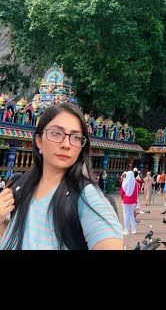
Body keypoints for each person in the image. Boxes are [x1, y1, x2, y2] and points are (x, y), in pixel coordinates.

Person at [0, 102, 123, 250]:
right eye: (56, 133)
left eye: (76, 137)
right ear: (38, 140)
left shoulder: (86, 195)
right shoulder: (20, 185)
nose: (66, 144)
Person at [119, 170, 140, 235]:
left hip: (125, 201)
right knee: (131, 215)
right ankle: (133, 229)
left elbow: (121, 192)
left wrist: (122, 198)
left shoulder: (125, 183)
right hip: (133, 201)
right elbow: (138, 192)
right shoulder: (136, 183)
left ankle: (126, 230)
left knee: (126, 215)